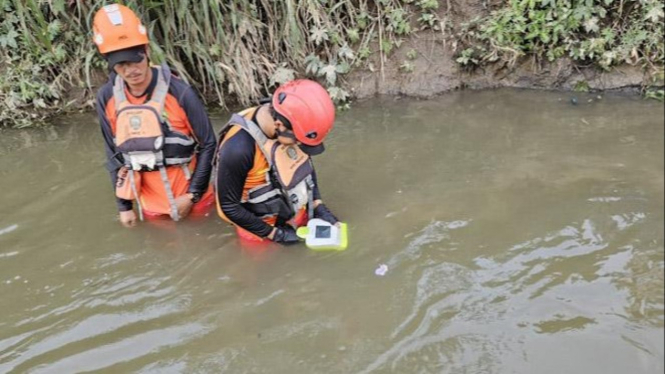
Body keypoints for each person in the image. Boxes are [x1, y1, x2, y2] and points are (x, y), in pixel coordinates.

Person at [92, 4, 216, 227]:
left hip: (193, 199)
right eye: (121, 64)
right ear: (110, 64)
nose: (131, 70)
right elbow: (113, 153)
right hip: (150, 206)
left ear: (147, 52)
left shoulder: (179, 92)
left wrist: (192, 195)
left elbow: (208, 143)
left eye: (135, 60)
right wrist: (124, 207)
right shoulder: (107, 98)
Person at [214, 79, 341, 244]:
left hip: (296, 213)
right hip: (261, 231)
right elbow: (229, 207)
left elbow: (305, 165)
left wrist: (318, 206)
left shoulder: (293, 124)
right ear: (279, 125)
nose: (299, 147)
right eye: (298, 142)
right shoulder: (238, 149)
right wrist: (275, 235)